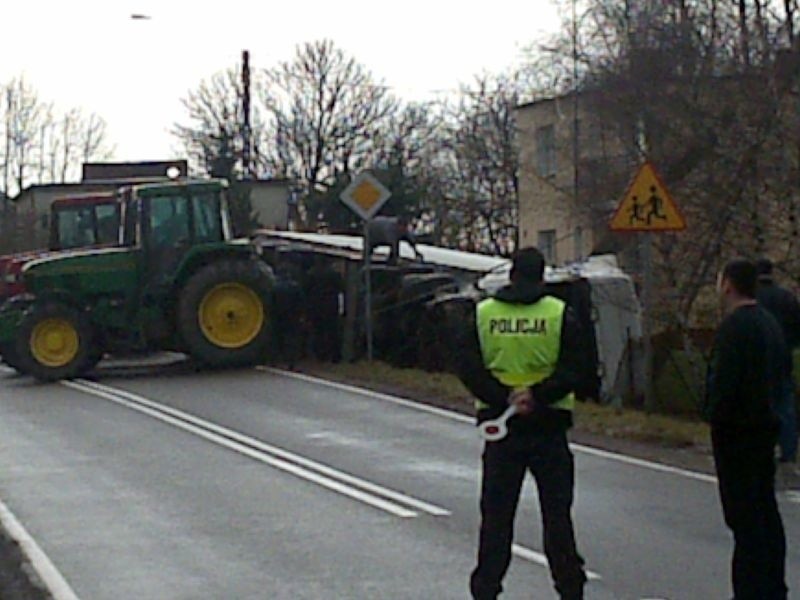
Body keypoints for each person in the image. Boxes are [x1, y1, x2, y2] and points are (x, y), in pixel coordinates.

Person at [455, 247, 586, 600]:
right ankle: (571, 590)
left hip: (502, 430)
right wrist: (537, 395)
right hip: (548, 429)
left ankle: (485, 591)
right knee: (557, 520)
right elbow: (577, 367)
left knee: (496, 520)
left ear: (511, 275)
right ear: (542, 276)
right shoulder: (560, 314)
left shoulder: (483, 314)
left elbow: (468, 367)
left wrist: (504, 396)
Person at [703, 259, 788, 600]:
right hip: (766, 428)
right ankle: (773, 586)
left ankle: (750, 591)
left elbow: (723, 384)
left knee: (744, 521)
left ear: (728, 285)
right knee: (766, 513)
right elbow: (782, 375)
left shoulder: (733, 329)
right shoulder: (770, 324)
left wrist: (712, 415)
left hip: (736, 435)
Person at [756, 258, 800, 483]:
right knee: (785, 408)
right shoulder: (786, 297)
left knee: (759, 408)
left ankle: (763, 450)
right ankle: (789, 453)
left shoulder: (752, 299)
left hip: (757, 362)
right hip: (783, 361)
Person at [304, 257, 344, 362]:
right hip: (331, 305)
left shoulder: (311, 274)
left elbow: (306, 290)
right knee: (332, 332)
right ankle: (334, 356)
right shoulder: (334, 274)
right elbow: (341, 288)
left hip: (316, 306)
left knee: (318, 332)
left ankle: (320, 355)